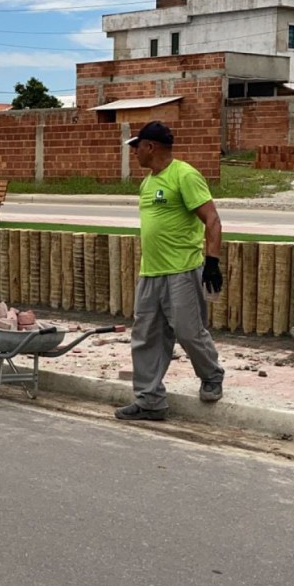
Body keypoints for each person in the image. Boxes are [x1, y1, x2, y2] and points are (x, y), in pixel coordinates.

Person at [115, 121, 225, 421]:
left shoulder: (185, 175)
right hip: (150, 273)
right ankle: (150, 401)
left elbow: (212, 219)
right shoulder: (147, 182)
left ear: (151, 146)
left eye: (137, 146)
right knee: (146, 337)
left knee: (189, 332)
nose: (134, 151)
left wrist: (212, 261)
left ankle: (212, 375)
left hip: (183, 271)